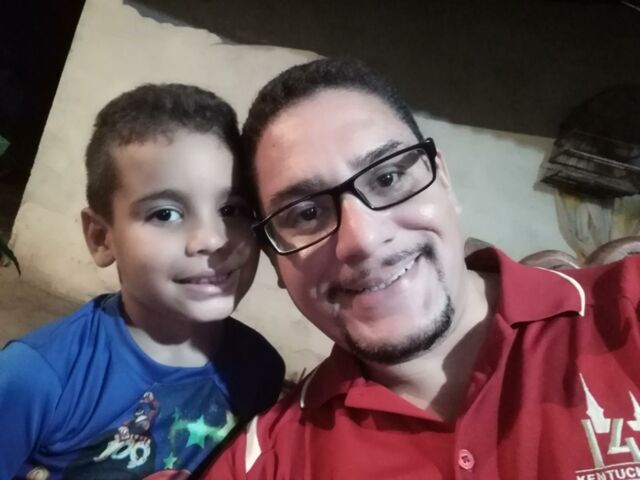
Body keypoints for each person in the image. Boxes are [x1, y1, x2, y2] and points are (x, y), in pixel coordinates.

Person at [204, 58, 640, 479]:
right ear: (275, 260)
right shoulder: (265, 462)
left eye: (387, 178)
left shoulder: (629, 309)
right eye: (306, 213)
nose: (362, 239)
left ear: (443, 180)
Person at [0, 84, 284, 479]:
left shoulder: (259, 369)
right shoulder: (34, 377)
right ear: (102, 238)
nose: (213, 239)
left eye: (231, 209)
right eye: (165, 214)